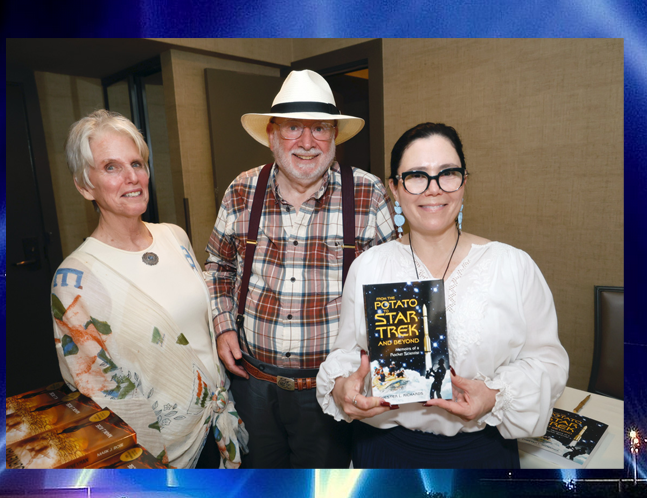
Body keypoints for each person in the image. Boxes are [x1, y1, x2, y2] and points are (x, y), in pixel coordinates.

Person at [316, 122, 569, 468]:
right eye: (416, 176)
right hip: (384, 450)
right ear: (394, 188)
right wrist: (343, 388)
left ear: (464, 182)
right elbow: (347, 354)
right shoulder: (368, 267)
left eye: (447, 173)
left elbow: (548, 364)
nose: (433, 189)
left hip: (483, 452)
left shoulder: (512, 266)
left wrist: (494, 395)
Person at [205, 70, 396, 468]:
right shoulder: (242, 190)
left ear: (335, 137)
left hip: (327, 392)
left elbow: (391, 295)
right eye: (294, 127)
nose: (307, 143)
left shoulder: (367, 192)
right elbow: (219, 266)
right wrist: (223, 324)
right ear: (272, 135)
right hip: (252, 385)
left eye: (320, 129)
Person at [51, 110, 248, 469]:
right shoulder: (74, 279)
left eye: (137, 163)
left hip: (220, 428)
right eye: (111, 167)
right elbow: (96, 389)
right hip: (158, 454)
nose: (132, 178)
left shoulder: (174, 236)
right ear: (84, 185)